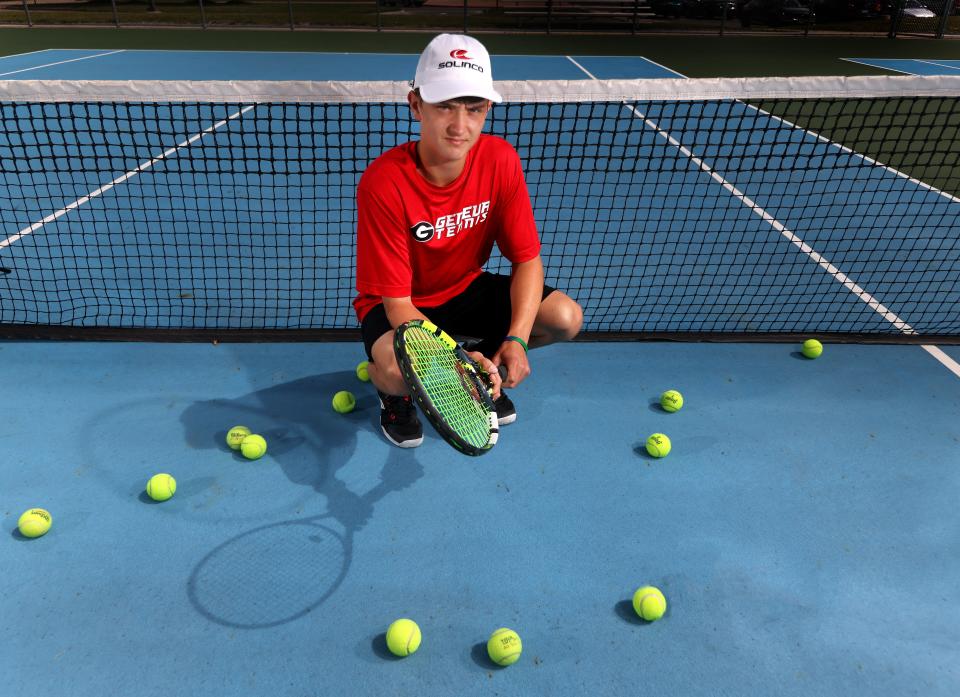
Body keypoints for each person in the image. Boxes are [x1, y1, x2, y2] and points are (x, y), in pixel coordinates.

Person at [354, 33, 583, 448]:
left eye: (474, 109)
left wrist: (514, 339)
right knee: (393, 369)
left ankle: (482, 376)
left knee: (565, 319)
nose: (460, 126)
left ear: (487, 110)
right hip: (401, 303)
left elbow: (527, 260)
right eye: (444, 106)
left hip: (463, 287)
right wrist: (454, 359)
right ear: (416, 104)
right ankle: (393, 395)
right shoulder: (383, 183)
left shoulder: (500, 160)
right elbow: (398, 304)